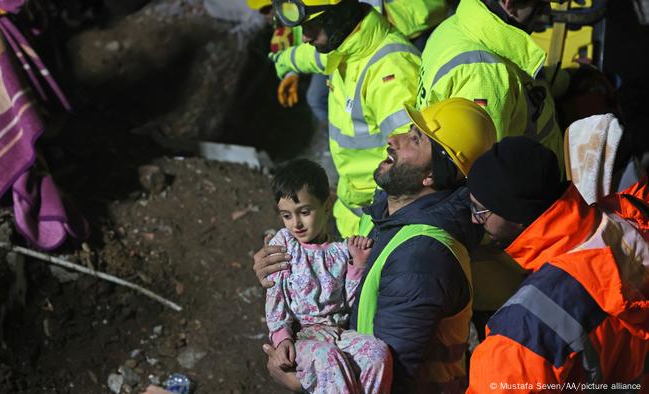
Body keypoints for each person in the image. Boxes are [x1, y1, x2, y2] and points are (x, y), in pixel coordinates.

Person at [256, 98, 498, 392]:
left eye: (415, 139)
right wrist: (284, 268)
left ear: (433, 174)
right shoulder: (388, 214)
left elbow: (394, 379)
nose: (393, 139)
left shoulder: (421, 257)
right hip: (335, 353)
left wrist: (297, 382)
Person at [466, 136, 649, 392]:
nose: (475, 220)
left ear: (517, 216)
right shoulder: (631, 215)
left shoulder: (517, 337)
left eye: (480, 210)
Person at [269, 0, 421, 237]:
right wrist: (285, 65)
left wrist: (384, 230)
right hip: (352, 212)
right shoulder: (341, 49)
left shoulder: (391, 72)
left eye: (311, 26)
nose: (305, 37)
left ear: (339, 15)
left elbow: (412, 165)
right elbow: (309, 56)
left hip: (378, 222)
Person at [264, 158, 392, 393]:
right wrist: (282, 339)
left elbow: (351, 304)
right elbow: (275, 295)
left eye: (304, 212)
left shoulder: (342, 252)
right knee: (328, 357)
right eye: (287, 215)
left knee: (377, 352)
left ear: (327, 205)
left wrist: (358, 266)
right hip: (304, 339)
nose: (296, 224)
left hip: (338, 334)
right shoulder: (284, 243)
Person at [416, 0, 564, 166]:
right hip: (535, 186)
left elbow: (521, 77)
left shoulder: (456, 26)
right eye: (541, 6)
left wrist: (568, 79)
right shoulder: (485, 76)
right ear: (509, 3)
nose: (547, 12)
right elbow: (487, 173)